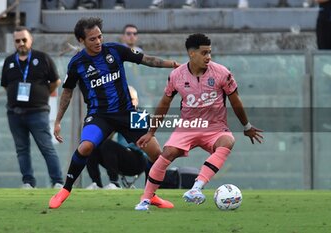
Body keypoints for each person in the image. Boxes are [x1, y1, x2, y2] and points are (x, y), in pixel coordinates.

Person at [48, 17, 179, 209]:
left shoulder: (116, 50)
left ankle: (151, 196)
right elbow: (67, 91)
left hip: (129, 112)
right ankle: (65, 189)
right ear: (81, 40)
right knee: (85, 147)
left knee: (158, 154)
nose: (98, 42)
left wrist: (173, 64)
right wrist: (58, 120)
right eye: (92, 39)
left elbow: (147, 59)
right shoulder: (77, 63)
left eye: (100, 36)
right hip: (99, 115)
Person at [134, 33, 263, 211]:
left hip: (215, 127)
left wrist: (246, 126)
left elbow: (235, 101)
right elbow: (164, 103)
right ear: (192, 54)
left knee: (228, 141)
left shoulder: (222, 73)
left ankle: (195, 189)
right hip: (188, 126)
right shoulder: (176, 76)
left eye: (210, 52)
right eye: (204, 53)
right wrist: (151, 132)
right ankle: (145, 199)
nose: (208, 57)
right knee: (167, 153)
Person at [0, 27, 64, 189]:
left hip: (38, 112)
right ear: (14, 42)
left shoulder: (42, 58)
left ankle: (57, 181)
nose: (21, 43)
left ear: (31, 40)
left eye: (24, 40)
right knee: (21, 149)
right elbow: (6, 86)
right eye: (17, 40)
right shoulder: (9, 61)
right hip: (14, 113)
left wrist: (40, 96)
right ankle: (28, 182)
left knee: (46, 146)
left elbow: (56, 82)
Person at [86, 85, 148, 189]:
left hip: (137, 159)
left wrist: (119, 121)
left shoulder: (140, 115)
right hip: (121, 158)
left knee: (107, 145)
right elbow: (106, 137)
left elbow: (138, 140)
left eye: (132, 99)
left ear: (137, 101)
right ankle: (96, 184)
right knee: (90, 145)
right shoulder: (119, 115)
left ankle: (114, 183)